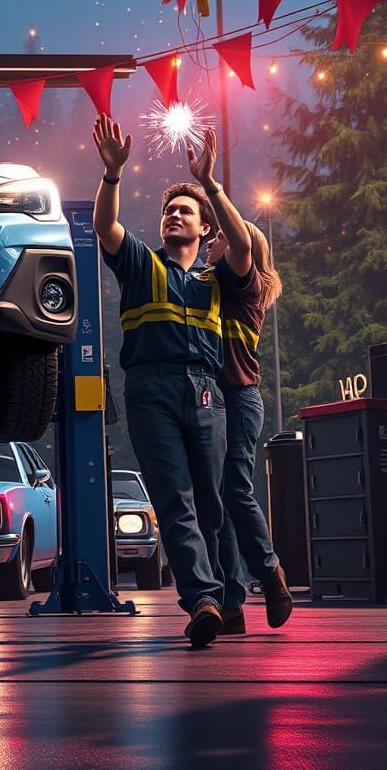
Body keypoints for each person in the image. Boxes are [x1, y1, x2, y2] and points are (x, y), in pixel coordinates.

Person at [92, 114, 227, 648]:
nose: (173, 215)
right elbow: (106, 227)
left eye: (184, 211)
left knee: (212, 504)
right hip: (150, 389)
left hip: (206, 391)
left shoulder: (217, 280)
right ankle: (203, 601)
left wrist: (211, 183)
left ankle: (222, 594)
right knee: (175, 498)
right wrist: (112, 176)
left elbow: (245, 249)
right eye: (168, 209)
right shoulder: (139, 262)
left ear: (204, 228)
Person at [187, 129, 293, 635]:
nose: (212, 243)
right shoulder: (203, 284)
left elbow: (242, 239)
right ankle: (231, 603)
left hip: (240, 397)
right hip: (209, 399)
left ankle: (270, 573)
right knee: (216, 497)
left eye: (220, 239)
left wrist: (209, 185)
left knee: (234, 488)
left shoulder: (243, 283)